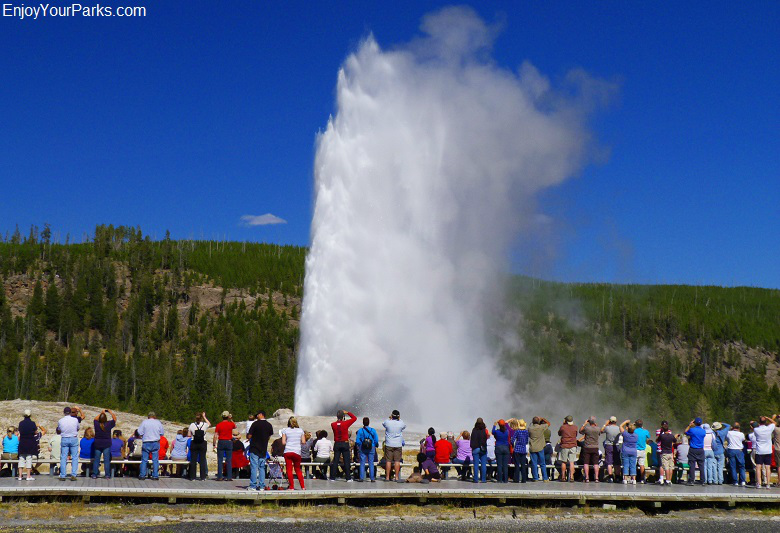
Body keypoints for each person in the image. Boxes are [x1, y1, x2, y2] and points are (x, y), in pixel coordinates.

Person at [246, 410, 274, 490]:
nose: (256, 416)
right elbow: (269, 436)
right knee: (262, 467)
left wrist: (248, 436)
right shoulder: (269, 425)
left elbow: (249, 436)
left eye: (257, 415)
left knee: (254, 467)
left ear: (261, 415)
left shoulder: (255, 424)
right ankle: (261, 485)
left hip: (254, 448)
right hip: (263, 448)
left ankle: (253, 485)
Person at [329, 409, 357, 482]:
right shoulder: (346, 423)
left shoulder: (333, 424)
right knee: (346, 461)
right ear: (343, 416)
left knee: (335, 460)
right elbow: (354, 418)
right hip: (344, 443)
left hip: (337, 443)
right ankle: (348, 478)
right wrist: (348, 412)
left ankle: (332, 477)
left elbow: (338, 425)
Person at [57, 406, 83, 481]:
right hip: (73, 438)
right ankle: (73, 475)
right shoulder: (75, 420)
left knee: (63, 457)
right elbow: (78, 428)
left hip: (64, 438)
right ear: (70, 412)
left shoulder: (60, 421)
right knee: (74, 457)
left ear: (64, 413)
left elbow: (59, 429)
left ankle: (63, 475)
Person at [137, 411, 165, 480]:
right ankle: (155, 475)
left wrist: (143, 435)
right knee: (155, 460)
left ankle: (142, 475)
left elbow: (139, 431)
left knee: (144, 460)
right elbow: (162, 433)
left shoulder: (144, 422)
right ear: (154, 416)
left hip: (146, 441)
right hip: (155, 442)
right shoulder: (158, 422)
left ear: (148, 416)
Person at [751, 415, 777, 489]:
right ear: (766, 422)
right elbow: (774, 423)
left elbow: (754, 425)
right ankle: (768, 484)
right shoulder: (769, 428)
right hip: (768, 450)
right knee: (767, 467)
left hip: (759, 450)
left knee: (758, 467)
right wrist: (768, 418)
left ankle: (759, 484)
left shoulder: (756, 430)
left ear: (759, 422)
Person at [281, 416, 306, 490]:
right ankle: (303, 487)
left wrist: (289, 442)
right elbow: (303, 442)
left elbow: (283, 442)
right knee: (297, 469)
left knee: (289, 469)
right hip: (297, 452)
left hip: (288, 451)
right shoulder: (300, 430)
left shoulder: (285, 430)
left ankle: (291, 487)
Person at [91, 409, 116, 479]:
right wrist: (110, 412)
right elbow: (114, 419)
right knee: (106, 460)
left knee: (96, 459)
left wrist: (101, 413)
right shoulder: (108, 424)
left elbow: (95, 419)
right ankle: (107, 475)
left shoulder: (97, 424)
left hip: (98, 444)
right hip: (106, 444)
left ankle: (95, 474)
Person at [18, 409, 42, 481]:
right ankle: (28, 476)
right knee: (29, 459)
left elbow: (20, 431)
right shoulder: (32, 423)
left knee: (21, 459)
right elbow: (35, 432)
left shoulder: (21, 423)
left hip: (22, 442)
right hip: (30, 442)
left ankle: (20, 476)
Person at [382, 410, 406, 483]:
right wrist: (399, 418)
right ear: (398, 416)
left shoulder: (388, 422)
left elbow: (383, 423)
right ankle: (397, 477)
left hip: (389, 443)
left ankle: (387, 477)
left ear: (391, 416)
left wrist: (390, 418)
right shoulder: (401, 423)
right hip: (398, 444)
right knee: (397, 461)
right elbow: (404, 426)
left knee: (388, 461)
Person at [213, 411, 236, 481]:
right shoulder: (230, 424)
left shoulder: (219, 425)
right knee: (229, 460)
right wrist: (231, 419)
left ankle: (220, 476)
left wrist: (214, 443)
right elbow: (235, 426)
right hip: (228, 441)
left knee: (220, 460)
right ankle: (229, 476)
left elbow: (215, 435)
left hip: (221, 441)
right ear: (228, 416)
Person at [356, 417, 379, 482]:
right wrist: (374, 444)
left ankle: (361, 478)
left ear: (363, 423)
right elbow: (376, 440)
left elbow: (357, 440)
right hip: (371, 447)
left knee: (362, 462)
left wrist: (360, 444)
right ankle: (372, 478)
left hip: (363, 447)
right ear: (369, 423)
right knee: (371, 463)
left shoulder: (360, 430)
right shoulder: (373, 430)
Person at [188, 411, 210, 481]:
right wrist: (204, 416)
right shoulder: (204, 424)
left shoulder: (192, 425)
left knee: (193, 460)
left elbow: (189, 434)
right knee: (202, 459)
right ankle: (203, 477)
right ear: (201, 418)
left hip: (194, 442)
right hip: (203, 442)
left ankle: (192, 477)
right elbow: (209, 424)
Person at [684, 417, 706, 485]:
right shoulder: (703, 431)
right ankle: (702, 480)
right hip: (700, 449)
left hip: (693, 449)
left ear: (695, 423)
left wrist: (689, 425)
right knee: (701, 465)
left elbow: (685, 432)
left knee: (692, 465)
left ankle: (691, 480)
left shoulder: (692, 430)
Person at [579, 417, 601, 483]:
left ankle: (587, 478)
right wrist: (596, 425)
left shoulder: (587, 428)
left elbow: (580, 431)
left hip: (587, 447)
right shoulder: (598, 429)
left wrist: (585, 424)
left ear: (589, 422)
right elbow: (600, 432)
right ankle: (596, 478)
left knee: (586, 463)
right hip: (595, 447)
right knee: (596, 463)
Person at [529, 417, 550, 482]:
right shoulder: (541, 427)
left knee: (534, 463)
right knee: (542, 463)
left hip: (533, 447)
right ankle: (545, 478)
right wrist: (543, 418)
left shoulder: (530, 428)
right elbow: (549, 423)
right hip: (540, 447)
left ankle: (535, 478)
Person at [557, 415, 578, 482]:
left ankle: (563, 477)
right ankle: (572, 477)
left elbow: (559, 433)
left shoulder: (563, 427)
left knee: (564, 462)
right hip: (573, 446)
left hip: (564, 446)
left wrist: (563, 425)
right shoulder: (575, 427)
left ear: (566, 421)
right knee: (572, 462)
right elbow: (576, 435)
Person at [726, 422, 746, 486]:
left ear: (732, 427)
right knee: (741, 466)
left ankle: (735, 481)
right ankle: (742, 481)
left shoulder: (729, 433)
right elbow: (743, 440)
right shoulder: (741, 434)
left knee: (733, 466)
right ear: (739, 427)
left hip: (731, 449)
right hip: (739, 450)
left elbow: (727, 438)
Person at [656, 421, 676, 485]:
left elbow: (657, 440)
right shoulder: (670, 433)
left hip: (662, 451)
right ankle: (669, 480)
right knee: (670, 466)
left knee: (662, 465)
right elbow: (674, 440)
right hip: (670, 452)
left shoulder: (659, 432)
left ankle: (662, 479)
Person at [711, 421, 730, 485]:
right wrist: (722, 423)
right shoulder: (723, 432)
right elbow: (728, 426)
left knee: (714, 467)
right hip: (721, 452)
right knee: (720, 467)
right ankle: (720, 480)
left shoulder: (712, 433)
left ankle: (715, 480)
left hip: (713, 452)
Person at [619, 420, 638, 484]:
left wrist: (625, 421)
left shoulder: (625, 434)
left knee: (626, 465)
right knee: (633, 465)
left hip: (625, 450)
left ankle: (625, 479)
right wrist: (633, 425)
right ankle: (634, 479)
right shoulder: (636, 435)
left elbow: (620, 426)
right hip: (633, 451)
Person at [470, 418, 488, 483]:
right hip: (483, 448)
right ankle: (483, 479)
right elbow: (486, 439)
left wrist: (472, 447)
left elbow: (472, 439)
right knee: (483, 464)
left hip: (475, 448)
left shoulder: (474, 430)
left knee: (476, 464)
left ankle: (476, 479)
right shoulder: (484, 430)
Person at [511, 419, 529, 483]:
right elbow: (527, 441)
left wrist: (513, 445)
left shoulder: (517, 431)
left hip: (517, 449)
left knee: (517, 465)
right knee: (523, 465)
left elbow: (512, 440)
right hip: (523, 450)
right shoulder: (526, 432)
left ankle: (516, 479)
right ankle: (524, 479)